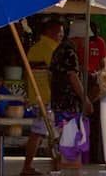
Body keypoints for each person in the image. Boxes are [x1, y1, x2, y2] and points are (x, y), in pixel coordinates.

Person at [21, 21, 65, 176]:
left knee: (45, 133)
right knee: (45, 133)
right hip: (46, 97)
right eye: (59, 32)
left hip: (37, 96)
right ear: (49, 31)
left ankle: (53, 165)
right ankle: (34, 166)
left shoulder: (34, 49)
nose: (61, 35)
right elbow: (56, 74)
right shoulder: (51, 49)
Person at [50, 29, 94, 169]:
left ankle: (59, 166)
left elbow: (50, 75)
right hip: (69, 105)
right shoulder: (70, 52)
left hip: (58, 102)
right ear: (79, 37)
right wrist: (85, 100)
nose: (86, 43)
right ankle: (68, 168)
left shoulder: (58, 50)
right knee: (71, 140)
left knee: (62, 138)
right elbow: (73, 77)